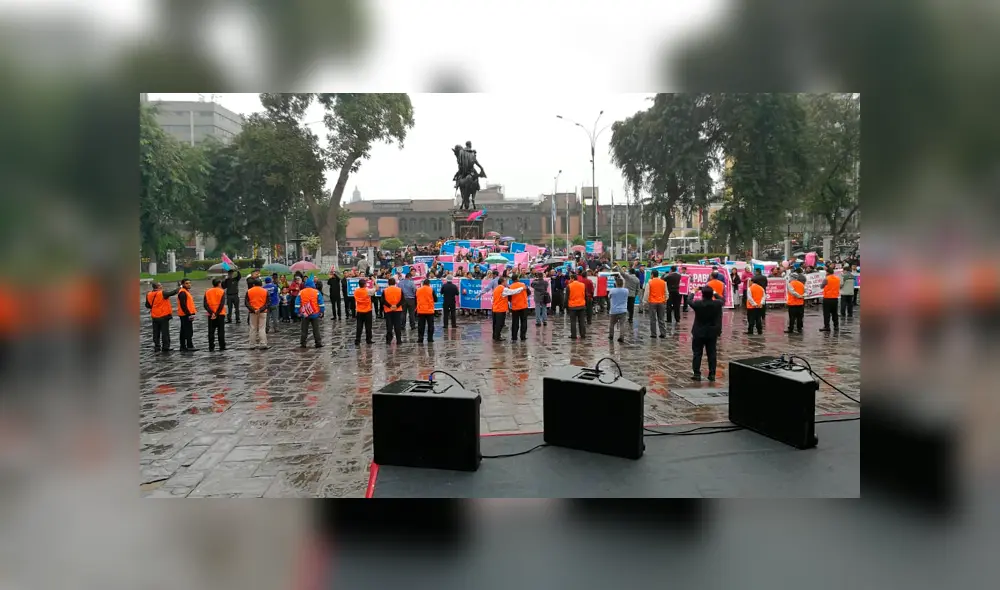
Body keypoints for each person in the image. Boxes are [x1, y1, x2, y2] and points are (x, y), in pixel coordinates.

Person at [690, 285, 724, 381]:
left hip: (698, 331)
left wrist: (693, 291)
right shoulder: (717, 304)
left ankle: (697, 373)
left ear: (702, 294)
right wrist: (714, 292)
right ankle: (712, 374)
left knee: (697, 353)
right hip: (712, 332)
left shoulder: (698, 304)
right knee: (712, 353)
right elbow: (722, 299)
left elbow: (689, 300)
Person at [145, 281, 178, 352]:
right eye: (160, 285)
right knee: (165, 333)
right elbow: (172, 293)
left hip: (154, 316)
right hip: (163, 316)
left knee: (156, 332)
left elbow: (147, 305)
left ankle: (157, 346)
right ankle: (165, 347)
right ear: (158, 286)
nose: (162, 286)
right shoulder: (162, 293)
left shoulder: (149, 294)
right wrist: (180, 287)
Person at [296, 278, 325, 348]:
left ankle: (303, 343)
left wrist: (297, 311)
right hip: (315, 313)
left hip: (305, 313)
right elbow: (321, 303)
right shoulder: (317, 292)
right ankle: (318, 343)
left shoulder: (301, 292)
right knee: (316, 329)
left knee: (304, 329)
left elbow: (297, 303)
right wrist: (322, 311)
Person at [203, 278, 228, 351]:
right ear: (219, 284)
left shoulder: (207, 292)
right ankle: (222, 346)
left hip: (210, 314)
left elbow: (205, 304)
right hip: (220, 314)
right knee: (221, 331)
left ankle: (211, 346)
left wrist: (212, 313)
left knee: (211, 331)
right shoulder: (221, 291)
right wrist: (216, 313)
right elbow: (222, 304)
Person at [245, 278, 269, 349]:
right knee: (262, 328)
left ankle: (252, 344)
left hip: (252, 312)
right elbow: (267, 303)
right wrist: (260, 309)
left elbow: (246, 303)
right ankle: (263, 343)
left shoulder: (249, 291)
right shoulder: (265, 291)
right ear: (261, 284)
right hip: (263, 312)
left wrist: (254, 309)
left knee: (253, 328)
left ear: (253, 284)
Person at [643, 270, 668, 339]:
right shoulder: (663, 282)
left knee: (653, 319)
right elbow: (666, 293)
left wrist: (645, 302)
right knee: (661, 318)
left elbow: (646, 293)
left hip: (652, 302)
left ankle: (653, 334)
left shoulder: (650, 282)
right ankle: (663, 333)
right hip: (661, 302)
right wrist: (665, 300)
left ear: (652, 275)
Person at [175, 278, 198, 352]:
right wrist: (189, 314)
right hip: (185, 315)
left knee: (184, 330)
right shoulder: (182, 292)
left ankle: (183, 346)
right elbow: (183, 305)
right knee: (188, 331)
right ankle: (189, 345)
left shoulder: (185, 291)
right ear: (183, 284)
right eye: (187, 283)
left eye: (189, 283)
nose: (189, 284)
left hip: (186, 314)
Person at [607, 274, 630, 342]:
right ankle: (621, 337)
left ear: (616, 283)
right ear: (622, 284)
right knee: (622, 324)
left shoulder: (612, 290)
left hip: (614, 310)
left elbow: (609, 297)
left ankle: (611, 336)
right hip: (623, 310)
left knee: (611, 324)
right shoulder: (626, 290)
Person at [566, 274, 588, 339]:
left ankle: (573, 335)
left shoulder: (569, 286)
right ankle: (583, 334)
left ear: (572, 278)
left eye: (570, 278)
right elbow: (585, 296)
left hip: (572, 307)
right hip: (581, 305)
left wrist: (565, 306)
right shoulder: (583, 285)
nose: (570, 280)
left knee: (573, 322)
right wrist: (585, 304)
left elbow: (566, 298)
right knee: (582, 321)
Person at [415, 278, 438, 343]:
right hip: (429, 310)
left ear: (423, 283)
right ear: (429, 284)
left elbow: (415, 299)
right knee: (430, 325)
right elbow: (436, 299)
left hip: (421, 310)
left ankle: (420, 338)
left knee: (421, 326)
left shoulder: (418, 290)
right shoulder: (431, 290)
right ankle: (430, 339)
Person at [382, 277, 404, 344]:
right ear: (395, 283)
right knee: (397, 325)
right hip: (398, 310)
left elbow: (383, 301)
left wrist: (390, 306)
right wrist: (396, 306)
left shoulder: (385, 290)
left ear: (388, 283)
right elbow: (403, 300)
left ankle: (388, 340)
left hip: (388, 310)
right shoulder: (399, 290)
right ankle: (399, 340)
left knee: (389, 325)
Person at [819, 267, 841, 332]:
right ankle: (836, 326)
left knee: (826, 313)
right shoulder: (837, 279)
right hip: (835, 298)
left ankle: (827, 326)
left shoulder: (826, 279)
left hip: (827, 298)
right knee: (835, 313)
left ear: (827, 272)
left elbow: (821, 286)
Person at [509, 277, 530, 341]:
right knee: (524, 322)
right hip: (523, 306)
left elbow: (509, 298)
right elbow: (529, 293)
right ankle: (523, 336)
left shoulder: (511, 287)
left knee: (515, 322)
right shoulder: (523, 285)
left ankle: (514, 337)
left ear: (512, 280)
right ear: (517, 279)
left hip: (515, 307)